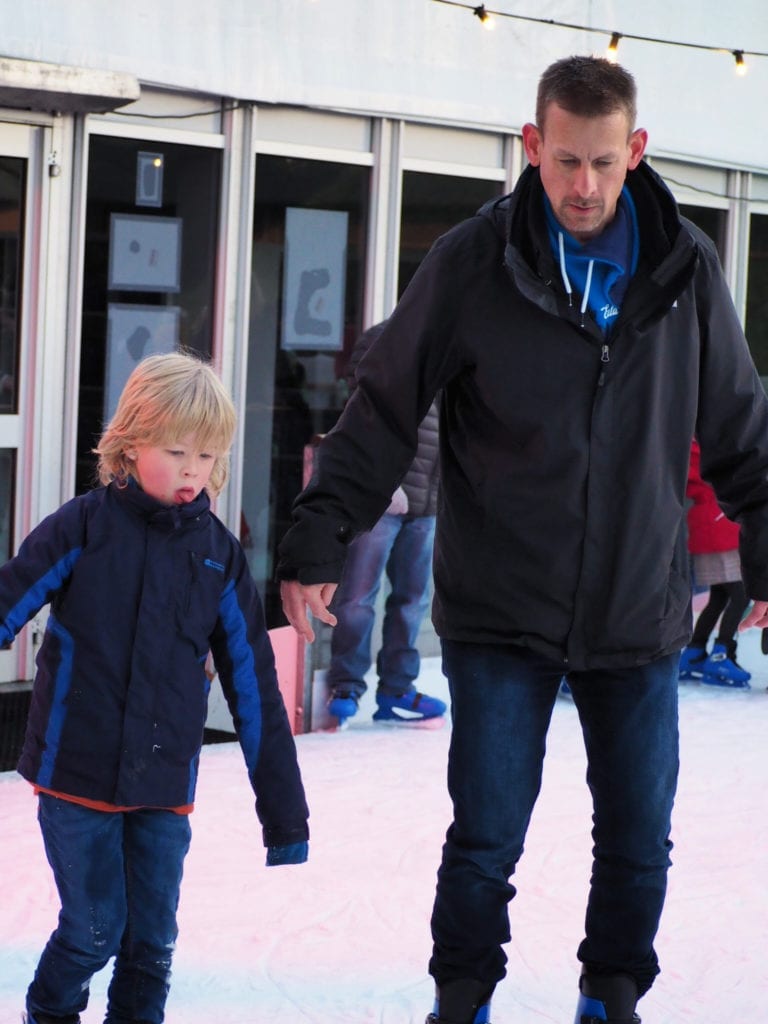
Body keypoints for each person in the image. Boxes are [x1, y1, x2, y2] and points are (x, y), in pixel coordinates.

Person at [276, 55, 768, 1024]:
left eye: (601, 162)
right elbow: (382, 409)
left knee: (638, 831)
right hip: (501, 604)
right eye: (564, 162)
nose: (582, 186)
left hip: (635, 604)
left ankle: (611, 991)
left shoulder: (684, 270)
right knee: (487, 829)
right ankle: (462, 995)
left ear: (634, 151)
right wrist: (318, 533)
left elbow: (743, 425)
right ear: (532, 147)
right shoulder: (473, 260)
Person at [3, 352, 309, 1024]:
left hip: (164, 786)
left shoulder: (219, 558)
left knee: (151, 944)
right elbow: (9, 598)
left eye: (207, 454)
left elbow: (253, 686)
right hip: (75, 774)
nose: (192, 469)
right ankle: (50, 1012)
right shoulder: (82, 528)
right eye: (175, 450)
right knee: (93, 931)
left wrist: (283, 813)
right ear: (130, 443)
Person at [327, 321, 446, 726]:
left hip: (429, 503)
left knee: (413, 602)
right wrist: (384, 483)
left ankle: (396, 690)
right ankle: (345, 686)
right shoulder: (385, 337)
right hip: (382, 499)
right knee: (358, 597)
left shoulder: (459, 343)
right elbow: (360, 412)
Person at [679, 438, 751, 687]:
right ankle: (722, 653)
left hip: (706, 522)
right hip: (719, 521)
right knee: (740, 593)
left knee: (720, 595)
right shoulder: (703, 445)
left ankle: (694, 652)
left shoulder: (687, 444)